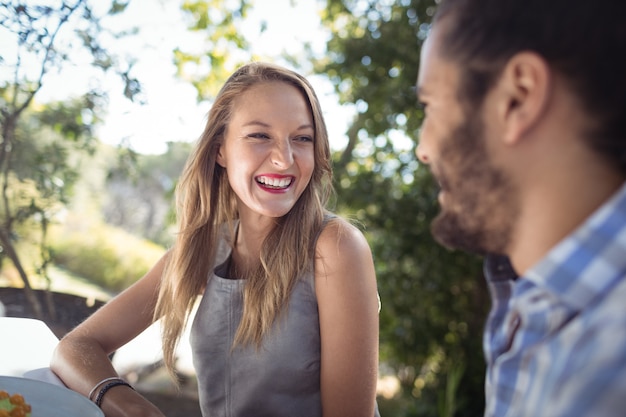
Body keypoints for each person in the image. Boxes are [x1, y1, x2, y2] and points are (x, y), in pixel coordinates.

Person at [51, 62, 381, 417]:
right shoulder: (205, 249)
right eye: (260, 135)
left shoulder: (336, 247)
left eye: (302, 138)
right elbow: (75, 347)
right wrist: (132, 406)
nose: (284, 159)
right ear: (220, 149)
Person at [414, 0, 626, 416]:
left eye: (430, 106)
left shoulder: (604, 384)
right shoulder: (538, 306)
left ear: (518, 97)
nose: (423, 148)